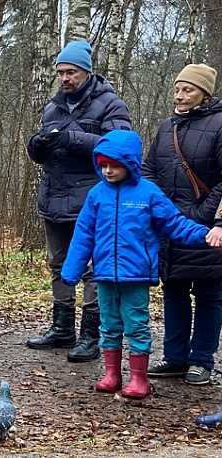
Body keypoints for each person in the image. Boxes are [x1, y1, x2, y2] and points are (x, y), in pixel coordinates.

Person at [62, 130, 211, 399]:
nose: (108, 171)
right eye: (103, 165)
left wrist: (205, 235)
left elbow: (175, 224)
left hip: (136, 276)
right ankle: (112, 375)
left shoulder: (148, 193)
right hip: (104, 275)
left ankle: (139, 379)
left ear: (129, 163)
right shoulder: (96, 195)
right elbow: (84, 234)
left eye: (114, 166)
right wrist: (72, 270)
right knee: (109, 325)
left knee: (136, 326)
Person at [25, 39, 132, 362]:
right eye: (60, 73)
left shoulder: (111, 104)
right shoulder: (53, 108)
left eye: (71, 72)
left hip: (92, 198)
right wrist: (36, 146)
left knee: (92, 267)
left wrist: (72, 138)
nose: (65, 78)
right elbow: (45, 151)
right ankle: (62, 328)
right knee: (58, 263)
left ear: (86, 72)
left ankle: (91, 335)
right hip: (54, 196)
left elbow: (118, 146)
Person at [142, 63, 222, 385]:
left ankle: (201, 361)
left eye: (187, 90)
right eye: (177, 89)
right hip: (170, 228)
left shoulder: (219, 124)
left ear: (204, 94)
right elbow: (148, 170)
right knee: (173, 291)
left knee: (209, 294)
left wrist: (207, 215)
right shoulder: (167, 127)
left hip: (208, 229)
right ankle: (175, 358)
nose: (179, 95)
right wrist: (161, 209)